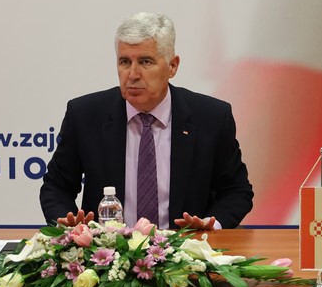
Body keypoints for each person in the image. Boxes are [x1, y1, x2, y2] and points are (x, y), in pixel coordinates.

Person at [40, 12, 254, 229]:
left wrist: (210, 226)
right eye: (125, 62)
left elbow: (236, 191)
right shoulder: (85, 115)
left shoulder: (211, 117)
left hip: (186, 247)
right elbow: (56, 187)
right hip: (106, 248)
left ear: (172, 66)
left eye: (145, 61)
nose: (133, 74)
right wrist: (68, 225)